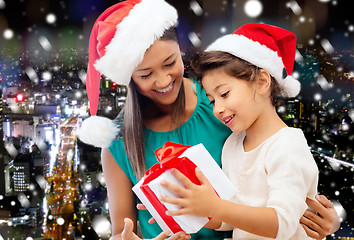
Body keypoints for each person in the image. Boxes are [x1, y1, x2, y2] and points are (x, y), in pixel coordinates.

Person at [77, 0, 340, 239]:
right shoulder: (119, 142)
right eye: (145, 74)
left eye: (170, 63)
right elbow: (123, 230)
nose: (164, 80)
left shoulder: (223, 103)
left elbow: (285, 192)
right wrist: (184, 207)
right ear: (129, 78)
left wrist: (326, 221)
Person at [158, 23, 339, 239]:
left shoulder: (287, 145)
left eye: (224, 94)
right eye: (212, 100)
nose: (218, 109)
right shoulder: (232, 145)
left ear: (262, 82)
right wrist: (187, 206)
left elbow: (282, 224)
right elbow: (229, 218)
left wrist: (215, 206)